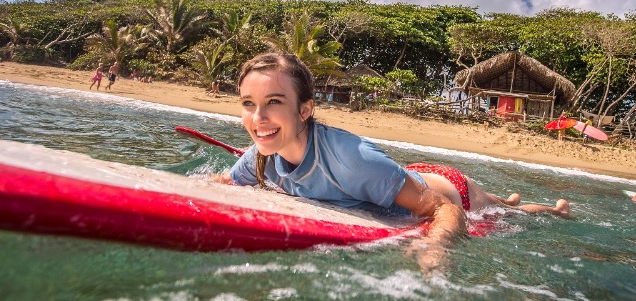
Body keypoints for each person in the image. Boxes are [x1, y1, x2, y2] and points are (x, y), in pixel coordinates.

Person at [213, 52, 572, 271]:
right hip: (403, 179)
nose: (258, 117)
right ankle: (507, 199)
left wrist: (436, 246)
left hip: (451, 191)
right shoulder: (259, 156)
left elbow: (446, 209)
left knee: (506, 212)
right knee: (502, 204)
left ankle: (552, 209)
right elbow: (226, 184)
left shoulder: (350, 159)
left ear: (305, 108)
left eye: (274, 101)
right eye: (248, 103)